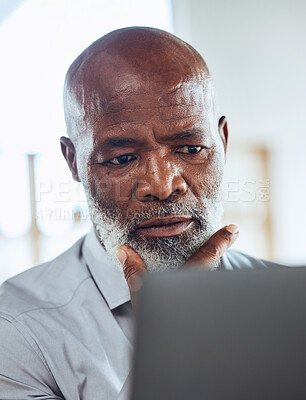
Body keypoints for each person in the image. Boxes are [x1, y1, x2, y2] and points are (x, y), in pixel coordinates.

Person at [0, 27, 284, 399]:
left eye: (191, 149)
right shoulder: (17, 329)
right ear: (73, 162)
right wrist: (171, 347)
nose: (163, 186)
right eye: (122, 158)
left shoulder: (292, 307)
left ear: (223, 142)